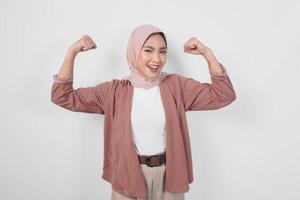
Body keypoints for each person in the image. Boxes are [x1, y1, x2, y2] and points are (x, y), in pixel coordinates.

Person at [51, 24, 236, 200]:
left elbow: (224, 95)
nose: (157, 59)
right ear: (134, 50)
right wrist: (72, 53)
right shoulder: (114, 91)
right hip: (127, 176)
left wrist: (208, 55)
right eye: (148, 50)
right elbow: (62, 96)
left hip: (169, 177)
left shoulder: (177, 86)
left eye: (162, 52)